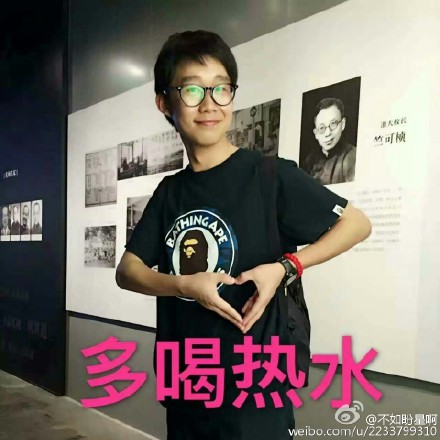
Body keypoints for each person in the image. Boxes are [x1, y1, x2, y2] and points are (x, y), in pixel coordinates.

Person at [115, 30, 371, 440]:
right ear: (164, 102)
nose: (209, 104)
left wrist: (286, 267)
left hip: (256, 392)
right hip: (189, 385)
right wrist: (182, 284)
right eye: (192, 90)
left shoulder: (269, 176)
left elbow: (356, 224)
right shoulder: (169, 193)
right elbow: (128, 270)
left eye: (221, 89)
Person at [303, 97, 356, 185]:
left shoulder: (351, 156)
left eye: (333, 124)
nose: (328, 133)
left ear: (343, 124)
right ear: (316, 134)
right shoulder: (309, 162)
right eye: (322, 128)